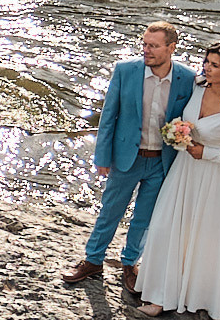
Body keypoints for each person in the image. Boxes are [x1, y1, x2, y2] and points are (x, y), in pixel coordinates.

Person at [61, 22, 197, 292]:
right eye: (144, 44)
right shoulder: (125, 71)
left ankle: (129, 264)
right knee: (110, 211)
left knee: (144, 218)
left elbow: (193, 117)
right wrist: (102, 156)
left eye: (154, 46)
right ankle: (92, 260)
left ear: (171, 48)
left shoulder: (187, 78)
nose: (146, 50)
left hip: (161, 161)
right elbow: (108, 115)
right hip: (126, 158)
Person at [136, 44, 220, 320]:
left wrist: (209, 153)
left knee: (205, 238)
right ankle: (159, 295)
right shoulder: (197, 87)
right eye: (207, 62)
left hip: (218, 180)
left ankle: (201, 296)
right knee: (166, 226)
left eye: (214, 65)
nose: (206, 68)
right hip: (185, 171)